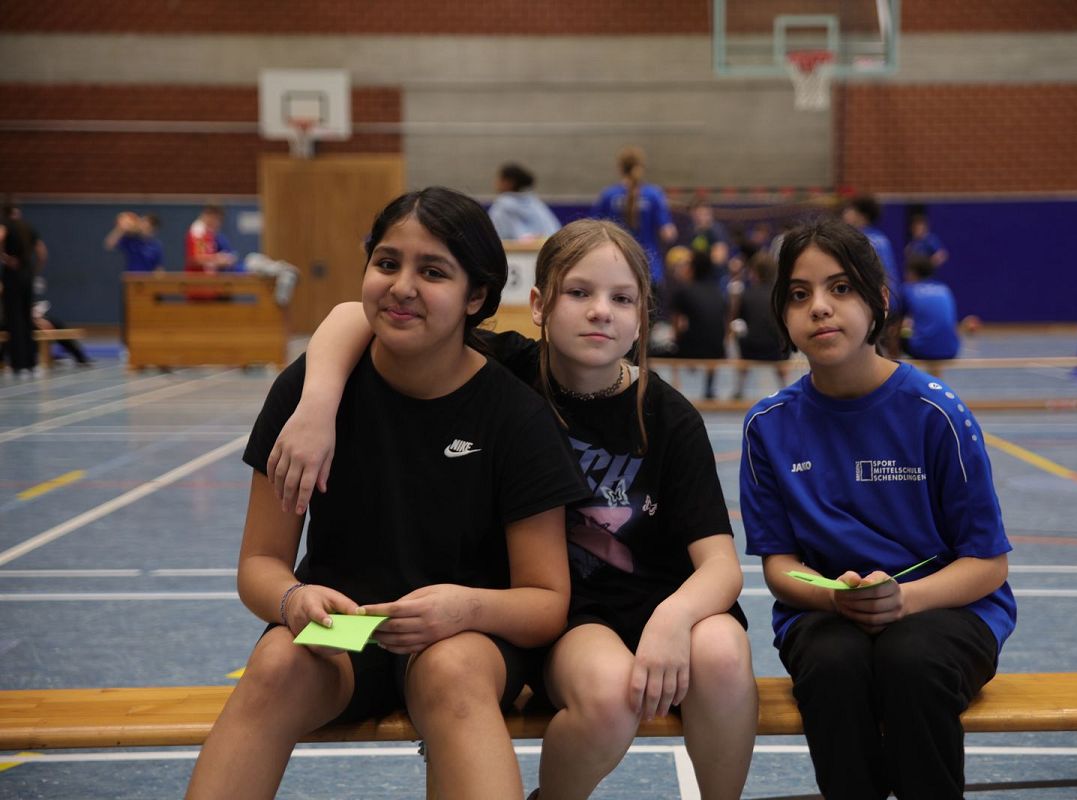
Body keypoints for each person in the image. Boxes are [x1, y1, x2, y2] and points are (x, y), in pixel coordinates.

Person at [267, 218, 757, 800]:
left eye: (622, 299)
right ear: (540, 305)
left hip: (667, 608)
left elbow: (720, 566)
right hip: (566, 618)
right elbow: (353, 315)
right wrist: (318, 402)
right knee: (610, 694)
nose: (601, 311)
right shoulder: (506, 370)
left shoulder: (671, 417)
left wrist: (672, 620)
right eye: (579, 292)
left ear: (642, 318)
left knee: (724, 652)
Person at [185, 187, 588, 800]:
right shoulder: (308, 396)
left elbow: (546, 602)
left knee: (451, 671)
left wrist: (465, 609)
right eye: (387, 263)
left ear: (476, 296)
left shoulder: (516, 417)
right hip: (346, 632)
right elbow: (259, 563)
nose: (402, 287)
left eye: (433, 272)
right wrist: (293, 598)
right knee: (277, 663)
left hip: (467, 635)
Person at [739, 218, 1016, 800]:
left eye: (840, 288)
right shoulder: (768, 425)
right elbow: (780, 566)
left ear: (880, 301)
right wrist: (832, 597)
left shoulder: (938, 413)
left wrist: (903, 600)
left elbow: (988, 565)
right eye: (799, 294)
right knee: (833, 668)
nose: (819, 306)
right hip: (825, 613)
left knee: (910, 661)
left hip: (947, 608)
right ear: (783, 315)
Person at [592, 146, 677, 300]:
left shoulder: (609, 196)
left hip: (615, 269)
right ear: (641, 167)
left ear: (620, 169)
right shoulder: (654, 195)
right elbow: (669, 234)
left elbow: (593, 231)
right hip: (649, 270)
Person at [729, 251, 788, 399]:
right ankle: (784, 386)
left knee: (740, 335)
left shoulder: (746, 294)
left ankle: (740, 387)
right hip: (776, 350)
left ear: (754, 272)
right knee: (784, 337)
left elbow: (737, 321)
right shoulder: (780, 296)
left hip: (751, 349)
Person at [670, 249, 727, 399]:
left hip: (693, 347)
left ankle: (675, 385)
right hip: (717, 349)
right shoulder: (718, 292)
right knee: (711, 339)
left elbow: (676, 325)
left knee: (670, 346)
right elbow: (723, 323)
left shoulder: (684, 291)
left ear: (692, 268)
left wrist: (677, 340)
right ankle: (709, 387)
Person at [1, 204, 45, 374]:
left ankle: (18, 363)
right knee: (27, 318)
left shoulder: (6, 224)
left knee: (14, 318)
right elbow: (42, 252)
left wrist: (5, 258)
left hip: (13, 275)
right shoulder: (28, 227)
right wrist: (35, 271)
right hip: (27, 274)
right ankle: (31, 361)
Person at [895, 255, 960, 361]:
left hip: (922, 350)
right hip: (951, 350)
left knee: (901, 328)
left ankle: (893, 363)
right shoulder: (944, 288)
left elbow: (896, 322)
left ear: (912, 273)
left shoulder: (907, 289)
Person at [488, 162, 562, 240]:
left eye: (499, 179)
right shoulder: (535, 203)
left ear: (509, 183)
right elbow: (553, 230)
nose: (496, 183)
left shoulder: (501, 205)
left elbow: (494, 236)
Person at [840, 195, 899, 291]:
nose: (845, 214)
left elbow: (885, 276)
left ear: (862, 216)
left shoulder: (866, 241)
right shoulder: (881, 238)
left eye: (849, 210)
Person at [184, 204, 238, 274]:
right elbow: (196, 259)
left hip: (208, 277)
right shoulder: (198, 232)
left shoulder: (208, 232)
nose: (218, 224)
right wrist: (218, 259)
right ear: (210, 216)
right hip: (197, 279)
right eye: (217, 219)